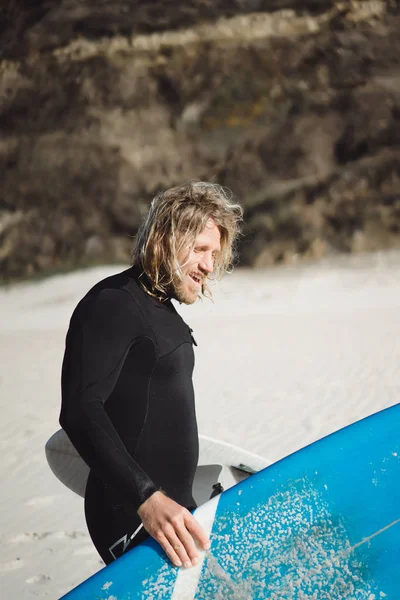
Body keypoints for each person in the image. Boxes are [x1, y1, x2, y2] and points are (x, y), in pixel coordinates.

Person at [59, 181, 242, 569]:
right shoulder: (113, 304)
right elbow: (80, 410)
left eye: (214, 253)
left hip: (173, 508)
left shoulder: (159, 308)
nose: (209, 265)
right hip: (135, 513)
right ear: (164, 239)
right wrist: (146, 499)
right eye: (199, 250)